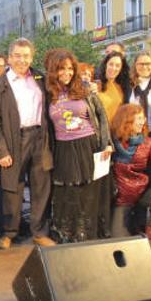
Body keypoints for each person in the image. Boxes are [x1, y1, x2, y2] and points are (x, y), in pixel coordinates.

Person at [0, 38, 55, 248]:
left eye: (26, 55)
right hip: (14, 139)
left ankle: (39, 232)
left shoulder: (40, 78)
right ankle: (9, 232)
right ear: (9, 58)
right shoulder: (0, 84)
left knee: (41, 187)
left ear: (31, 57)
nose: (22, 60)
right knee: (12, 189)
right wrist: (1, 151)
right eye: (17, 55)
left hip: (40, 138)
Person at [46, 49, 112, 243]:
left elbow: (101, 116)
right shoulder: (48, 92)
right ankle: (67, 234)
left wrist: (107, 144)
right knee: (67, 193)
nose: (66, 73)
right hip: (63, 148)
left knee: (89, 193)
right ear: (53, 71)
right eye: (61, 69)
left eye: (69, 69)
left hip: (88, 145)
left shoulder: (85, 89)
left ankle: (87, 234)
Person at [109, 103, 151, 242]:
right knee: (118, 238)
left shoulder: (148, 143)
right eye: (139, 118)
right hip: (120, 196)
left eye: (143, 118)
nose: (143, 121)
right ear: (127, 120)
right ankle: (133, 224)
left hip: (141, 191)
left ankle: (150, 228)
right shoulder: (112, 142)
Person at [95, 50, 129, 127]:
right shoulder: (96, 85)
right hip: (100, 132)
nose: (113, 68)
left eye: (117, 65)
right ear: (105, 65)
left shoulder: (122, 87)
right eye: (111, 64)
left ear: (121, 69)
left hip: (117, 132)